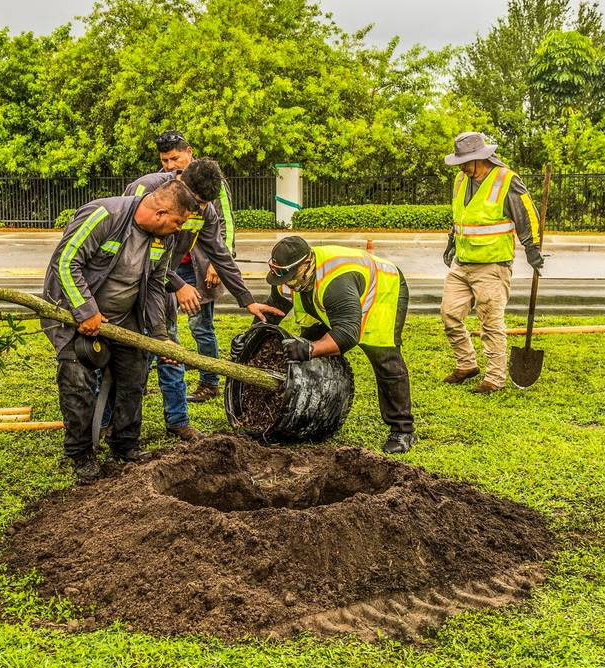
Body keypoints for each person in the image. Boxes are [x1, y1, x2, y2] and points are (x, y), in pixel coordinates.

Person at [110, 159, 282, 441]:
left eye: (206, 204)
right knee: (122, 357)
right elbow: (137, 254)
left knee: (169, 348)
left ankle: (178, 421)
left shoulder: (205, 210)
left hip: (161, 286)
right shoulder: (146, 190)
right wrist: (178, 284)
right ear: (180, 185)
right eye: (199, 201)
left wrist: (246, 299)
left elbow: (219, 253)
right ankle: (108, 424)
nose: (200, 209)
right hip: (127, 286)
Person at [41, 181, 195, 482]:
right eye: (178, 222)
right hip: (75, 315)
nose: (179, 229)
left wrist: (160, 335)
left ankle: (125, 447)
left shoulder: (164, 240)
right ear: (161, 213)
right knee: (78, 383)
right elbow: (66, 262)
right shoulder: (104, 215)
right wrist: (86, 311)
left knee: (134, 378)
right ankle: (81, 453)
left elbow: (154, 286)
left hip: (126, 319)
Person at [260, 236, 416, 454]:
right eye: (282, 277)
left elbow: (347, 335)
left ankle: (403, 430)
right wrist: (251, 335)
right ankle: (317, 408)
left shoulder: (336, 282)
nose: (286, 283)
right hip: (327, 303)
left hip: (382, 291)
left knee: (384, 358)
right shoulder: (286, 275)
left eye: (289, 277)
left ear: (306, 265)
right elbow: (274, 309)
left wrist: (310, 349)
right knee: (312, 346)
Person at [440, 132, 544, 393]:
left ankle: (494, 378)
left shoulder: (507, 180)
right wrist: (452, 242)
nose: (461, 166)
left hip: (492, 265)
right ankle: (466, 364)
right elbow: (461, 215)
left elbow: (527, 214)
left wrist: (532, 249)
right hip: (462, 263)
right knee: (450, 314)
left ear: (480, 158)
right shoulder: (461, 179)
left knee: (491, 323)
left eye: (465, 161)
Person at [151, 129, 236, 403]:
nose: (170, 165)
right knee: (163, 323)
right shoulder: (166, 182)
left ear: (189, 152)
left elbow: (226, 222)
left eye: (175, 158)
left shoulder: (210, 181)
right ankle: (165, 372)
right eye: (165, 160)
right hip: (170, 268)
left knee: (201, 325)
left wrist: (218, 263)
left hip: (200, 267)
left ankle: (209, 382)